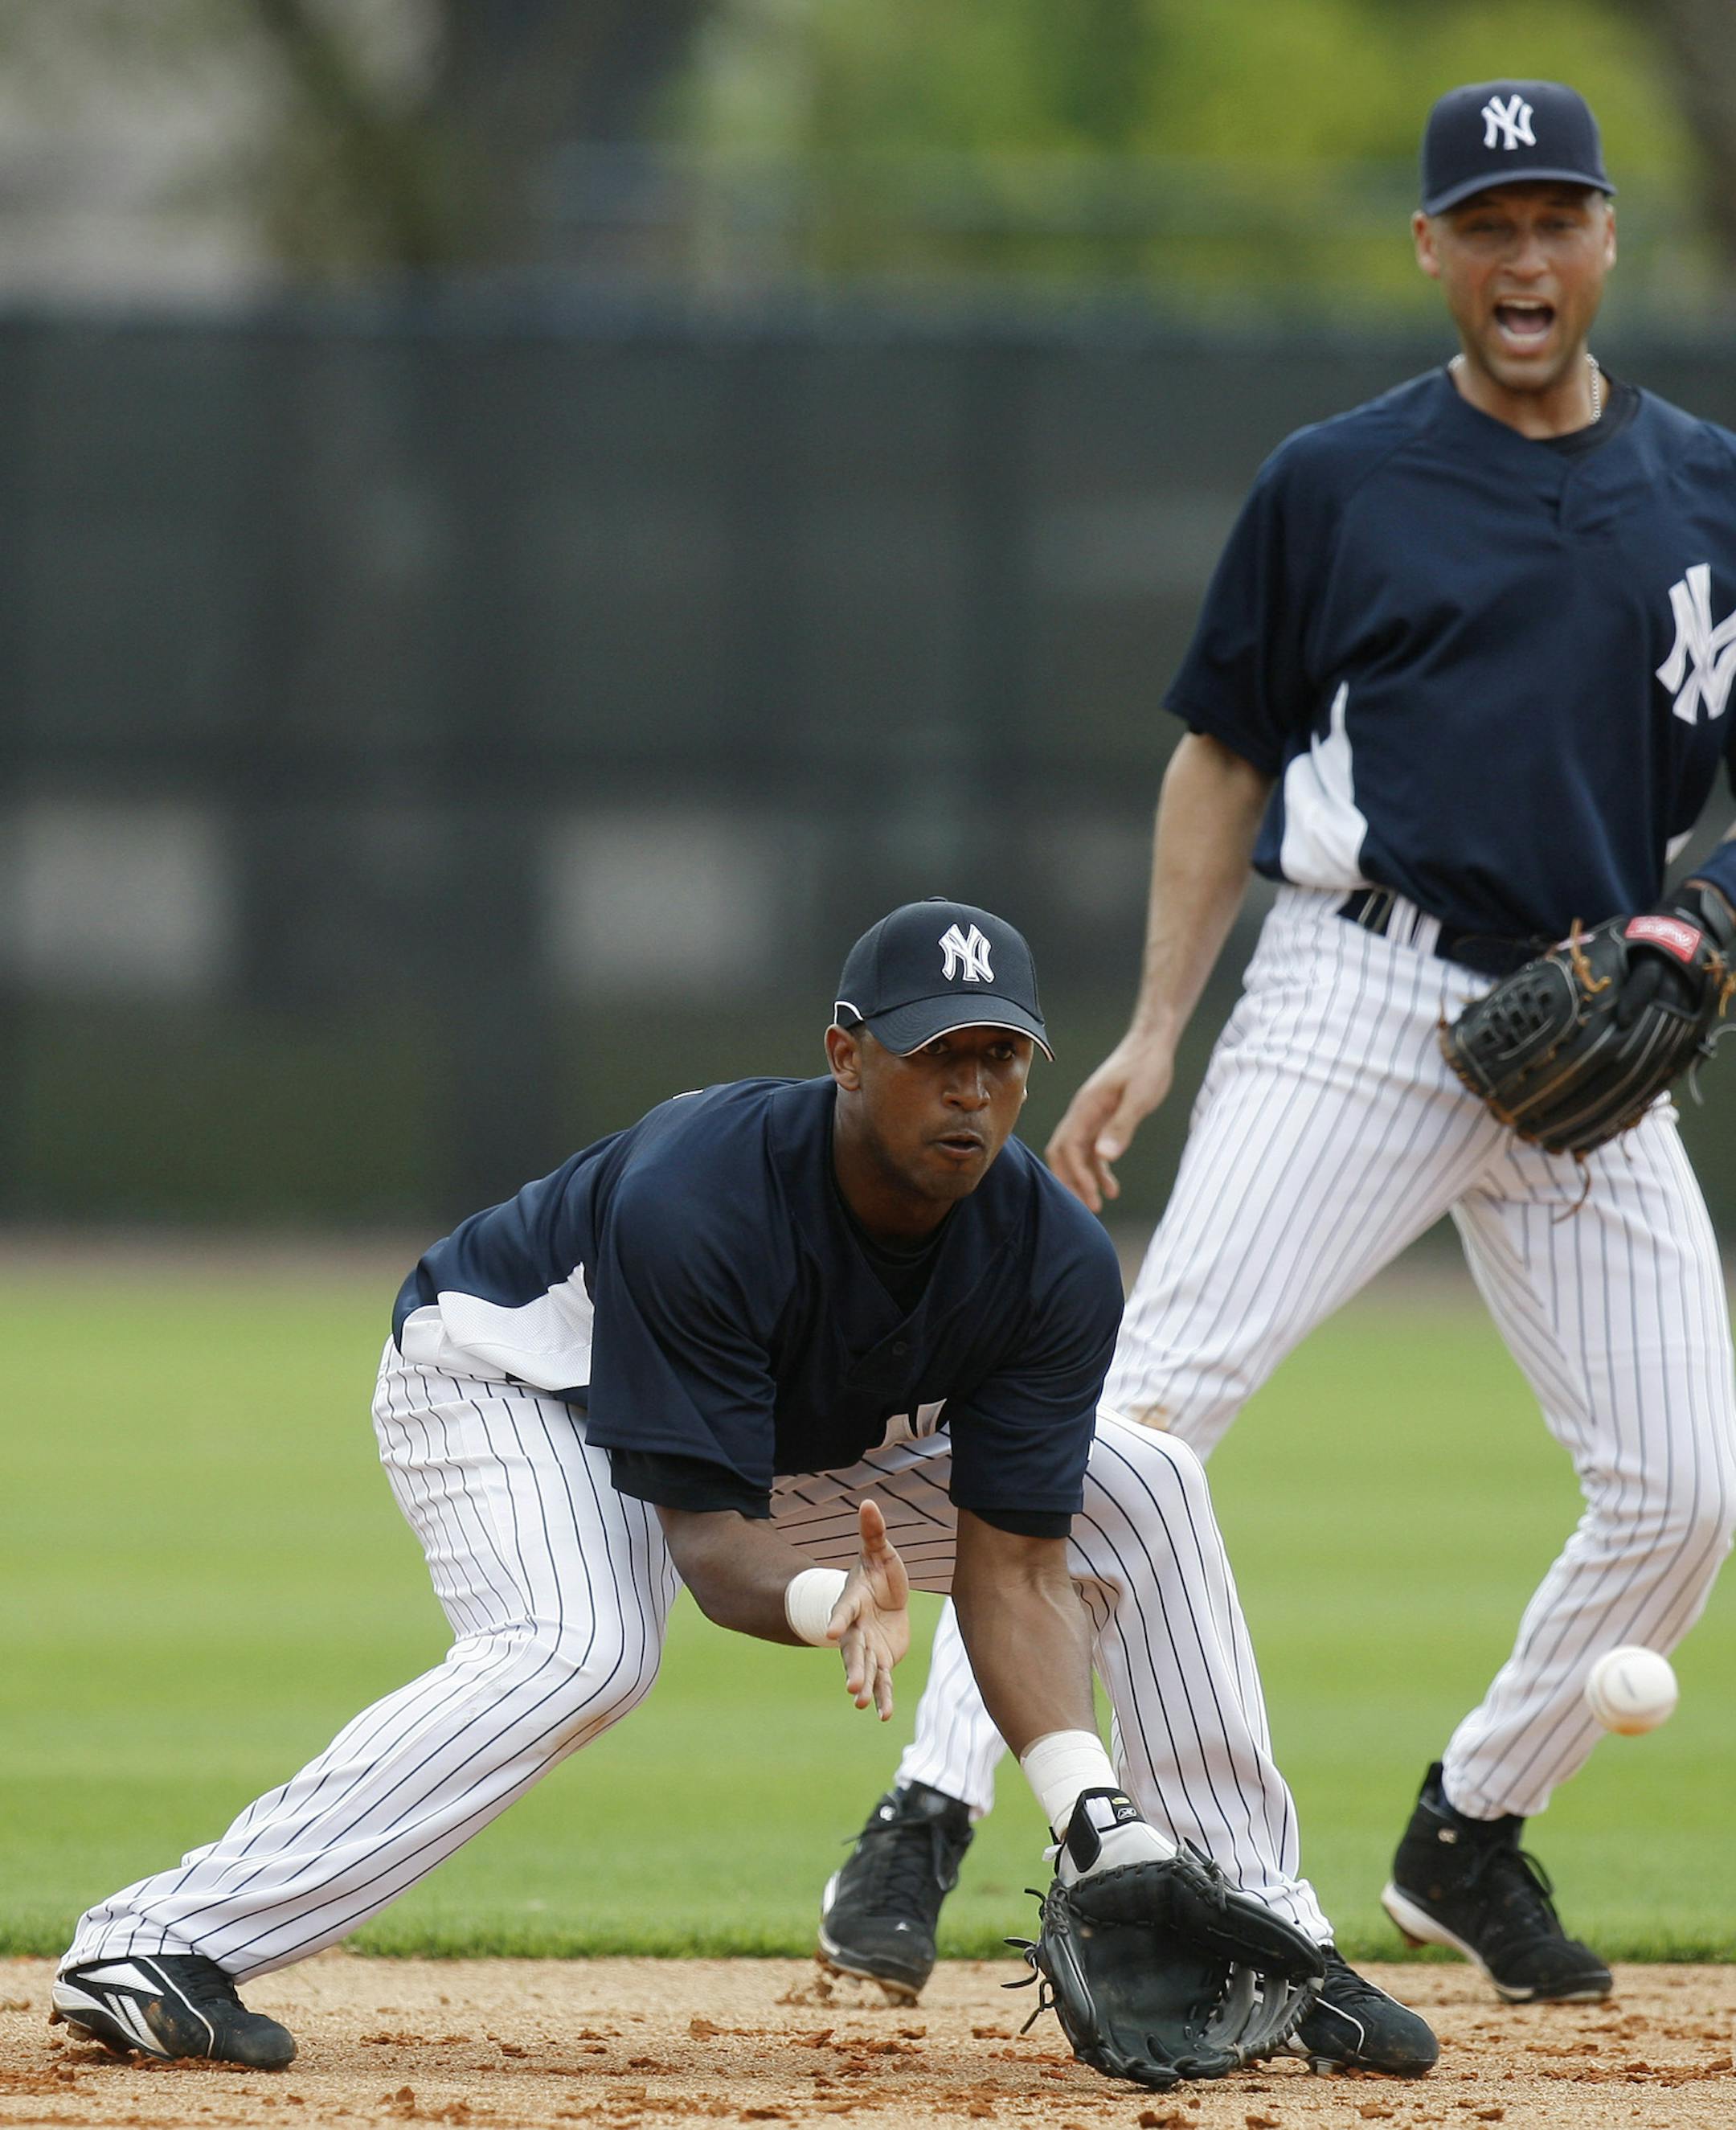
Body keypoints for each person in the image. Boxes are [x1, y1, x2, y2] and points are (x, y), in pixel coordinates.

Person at [820, 80, 1736, 2014]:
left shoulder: (1709, 490)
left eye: (1555, 216)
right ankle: (928, 1805)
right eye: (1483, 223)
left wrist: (1705, 918)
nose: (1522, 256)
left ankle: (1471, 1823)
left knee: (1685, 1482)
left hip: (1589, 1017)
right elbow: (1222, 748)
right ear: (1431, 251)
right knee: (1142, 1412)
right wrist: (1157, 1024)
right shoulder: (1340, 480)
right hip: (1363, 993)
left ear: (1606, 242)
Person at [50, 898, 1434, 2081]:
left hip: (782, 1439)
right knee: (581, 1649)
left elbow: (1017, 1568)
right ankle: (158, 1941)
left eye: (1002, 1057)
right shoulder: (702, 1194)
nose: (971, 1089)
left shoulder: (1051, 1257)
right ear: (845, 1051)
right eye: (938, 1052)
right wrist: (841, 1594)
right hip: (518, 1384)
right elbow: (711, 1545)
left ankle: (1266, 1929)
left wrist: (1091, 1806)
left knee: (1147, 1479)